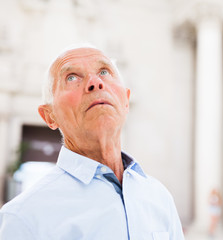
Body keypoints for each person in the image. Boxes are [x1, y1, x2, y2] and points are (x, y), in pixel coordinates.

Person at [0, 44, 185, 239]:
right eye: (71, 77)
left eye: (104, 71)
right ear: (49, 116)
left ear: (126, 101)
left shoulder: (159, 198)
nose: (95, 82)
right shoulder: (23, 218)